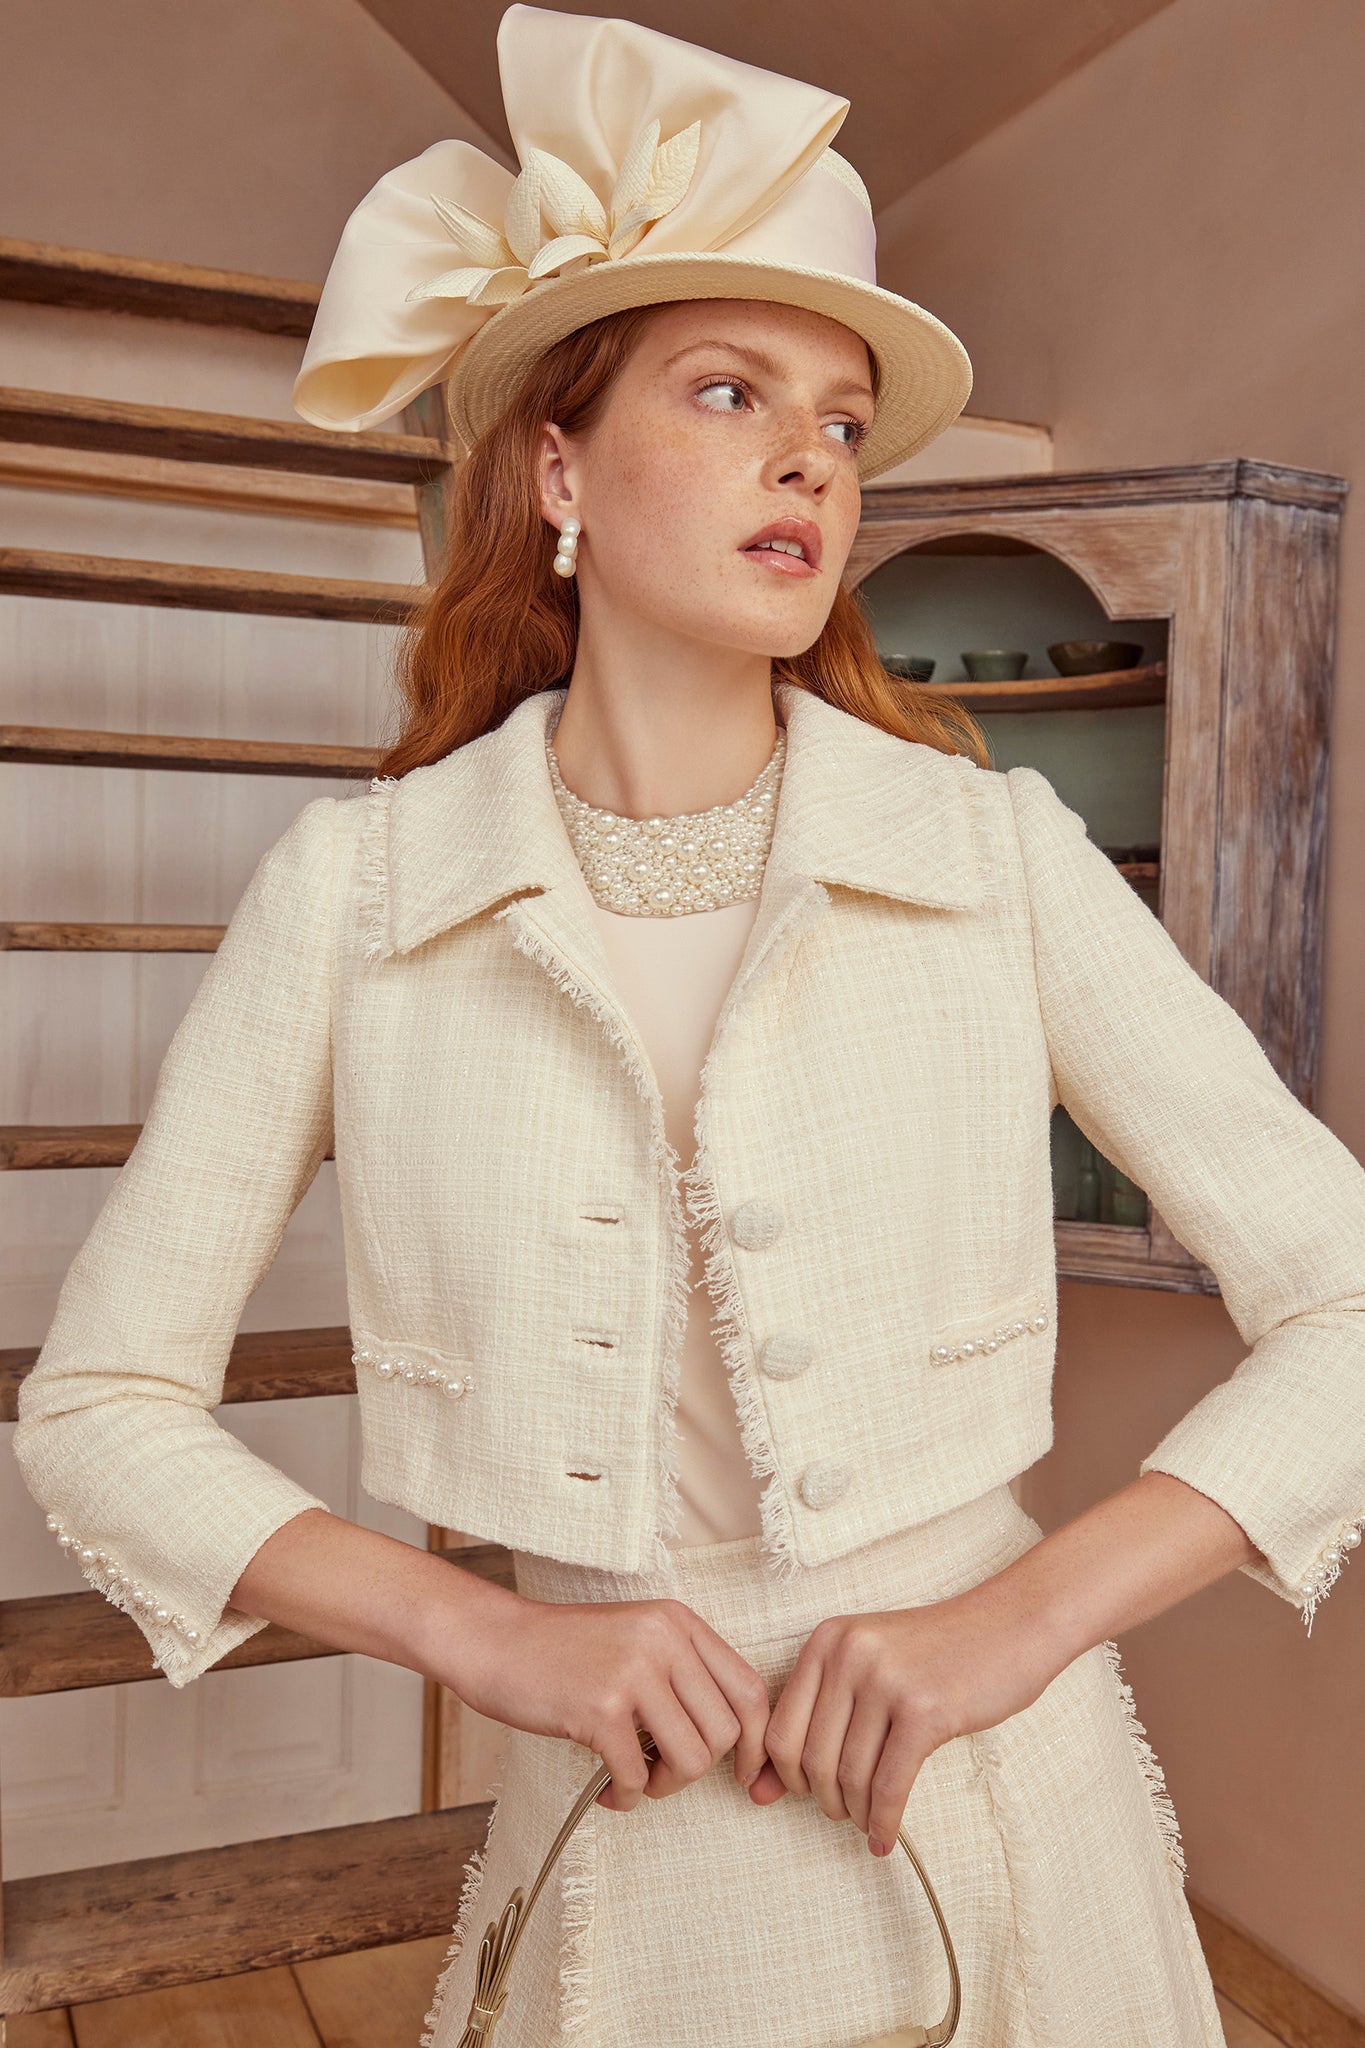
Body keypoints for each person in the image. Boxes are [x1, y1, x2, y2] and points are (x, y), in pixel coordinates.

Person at [14, 8, 1365, 2046]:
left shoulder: (989, 852)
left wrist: (1010, 1624)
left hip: (1013, 1808)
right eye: (729, 391)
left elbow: (1343, 1302)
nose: (808, 459)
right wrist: (484, 1637)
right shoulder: (359, 893)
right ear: (555, 465)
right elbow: (102, 1408)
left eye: (839, 422)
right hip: (626, 1836)